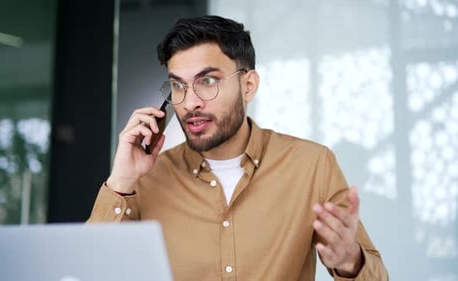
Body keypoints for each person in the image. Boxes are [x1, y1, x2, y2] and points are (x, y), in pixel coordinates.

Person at [87, 15, 389, 281]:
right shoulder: (145, 179)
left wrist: (351, 262)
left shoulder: (312, 165)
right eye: (178, 86)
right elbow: (87, 272)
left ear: (248, 86)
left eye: (208, 81)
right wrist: (121, 182)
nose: (190, 102)